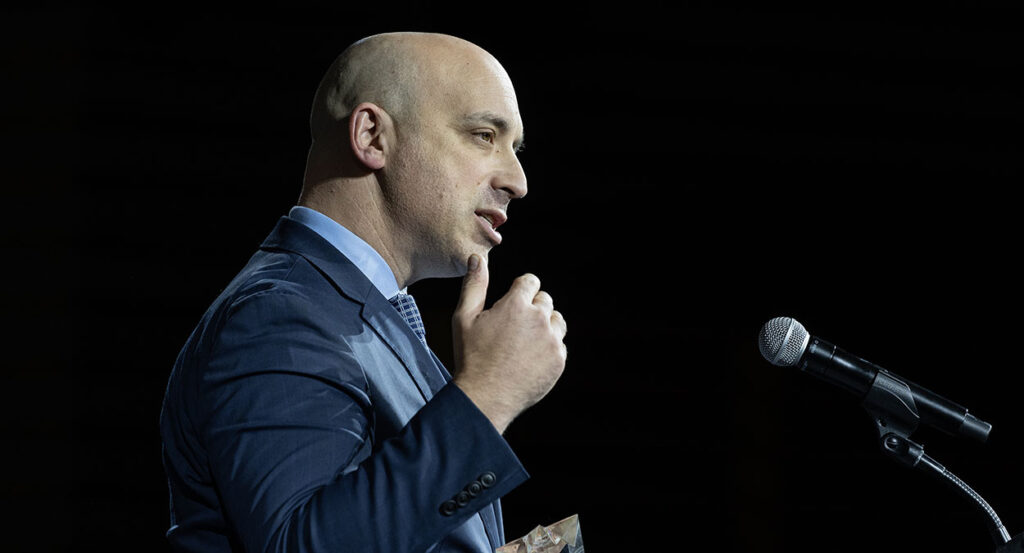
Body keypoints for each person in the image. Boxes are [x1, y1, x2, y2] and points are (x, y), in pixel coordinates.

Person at [158, 32, 568, 553]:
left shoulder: (357, 313)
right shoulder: (277, 313)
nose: (518, 180)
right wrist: (488, 395)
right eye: (484, 135)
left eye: (516, 148)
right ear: (372, 136)